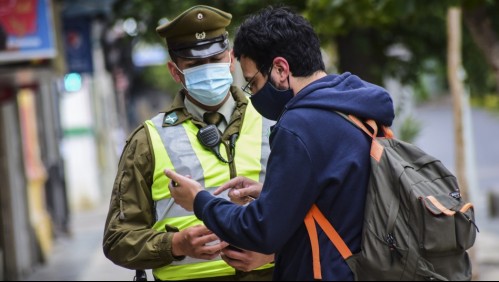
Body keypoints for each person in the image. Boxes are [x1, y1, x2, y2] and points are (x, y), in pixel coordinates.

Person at [164, 5, 395, 281]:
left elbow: (262, 231)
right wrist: (272, 193)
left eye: (253, 83)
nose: (254, 95)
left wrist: (199, 200)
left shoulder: (300, 125)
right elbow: (339, 195)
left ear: (281, 69)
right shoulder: (351, 108)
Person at [102, 5, 276, 281]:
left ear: (230, 60)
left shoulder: (275, 120)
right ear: (175, 71)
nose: (208, 70)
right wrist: (175, 245)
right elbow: (117, 239)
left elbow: (316, 211)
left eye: (216, 59)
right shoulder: (147, 140)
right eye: (195, 65)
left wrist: (274, 252)